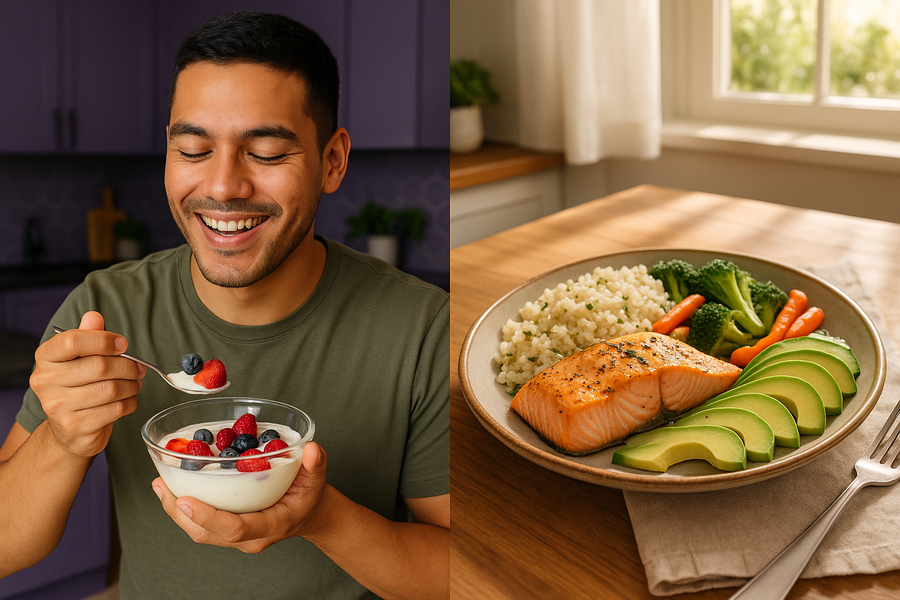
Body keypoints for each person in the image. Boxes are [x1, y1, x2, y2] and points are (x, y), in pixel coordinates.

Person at [0, 11, 448, 600]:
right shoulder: (103, 311)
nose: (222, 187)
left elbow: (465, 571)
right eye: (192, 149)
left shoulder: (422, 331)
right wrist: (60, 440)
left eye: (264, 152)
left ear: (332, 161)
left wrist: (322, 518)